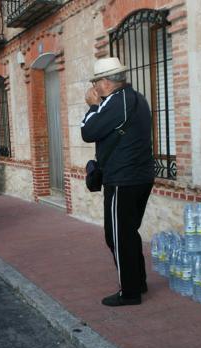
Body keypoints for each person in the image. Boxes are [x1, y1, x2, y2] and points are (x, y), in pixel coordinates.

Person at [80, 57, 155, 307]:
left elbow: (88, 132)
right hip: (139, 177)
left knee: (117, 237)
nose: (94, 88)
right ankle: (138, 282)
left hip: (123, 179)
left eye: (96, 82)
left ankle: (129, 292)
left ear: (106, 82)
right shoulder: (136, 98)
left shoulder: (115, 102)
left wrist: (92, 106)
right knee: (128, 233)